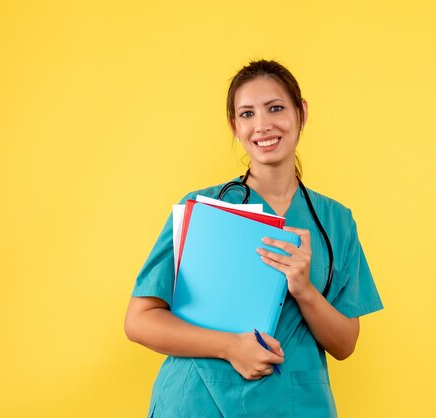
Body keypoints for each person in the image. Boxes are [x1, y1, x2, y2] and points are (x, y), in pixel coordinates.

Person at [125, 59, 383, 417]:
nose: (262, 125)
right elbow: (139, 320)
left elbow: (344, 344)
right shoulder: (202, 209)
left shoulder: (337, 222)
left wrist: (304, 289)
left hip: (292, 405)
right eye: (246, 114)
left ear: (301, 112)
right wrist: (230, 347)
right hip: (196, 402)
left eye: (275, 108)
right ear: (234, 125)